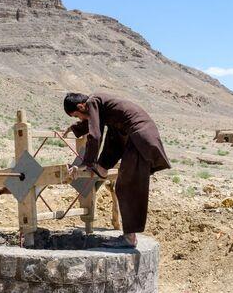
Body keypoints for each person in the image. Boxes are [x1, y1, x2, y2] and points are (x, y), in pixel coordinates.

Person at [63, 92, 170, 247]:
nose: (80, 119)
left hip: (139, 138)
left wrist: (86, 163)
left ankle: (129, 238)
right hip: (140, 136)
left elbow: (95, 134)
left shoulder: (93, 102)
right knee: (124, 182)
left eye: (76, 116)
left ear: (81, 106)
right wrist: (75, 128)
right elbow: (96, 125)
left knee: (126, 186)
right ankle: (129, 236)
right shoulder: (102, 106)